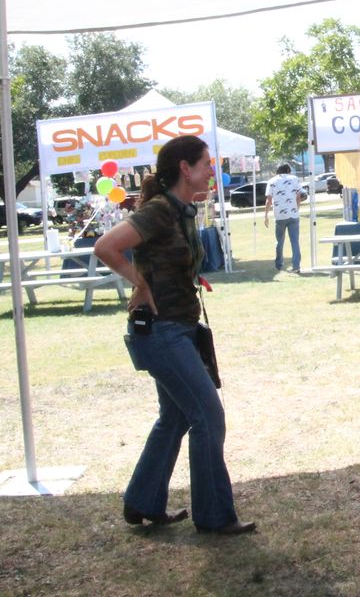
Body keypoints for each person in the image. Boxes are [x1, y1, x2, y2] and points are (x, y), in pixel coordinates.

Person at [94, 135, 255, 536]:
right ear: (184, 168)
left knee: (177, 416)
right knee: (207, 415)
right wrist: (141, 283)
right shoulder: (161, 210)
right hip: (162, 332)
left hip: (179, 328)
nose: (210, 171)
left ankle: (142, 502)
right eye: (204, 164)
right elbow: (106, 246)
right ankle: (215, 515)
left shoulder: (184, 210)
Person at [264, 163, 303, 272]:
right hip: (293, 214)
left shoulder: (272, 181)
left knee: (279, 241)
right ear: (288, 170)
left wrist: (266, 215)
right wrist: (297, 208)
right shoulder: (295, 179)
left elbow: (269, 200)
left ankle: (279, 264)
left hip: (279, 215)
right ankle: (296, 266)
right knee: (294, 241)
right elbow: (298, 196)